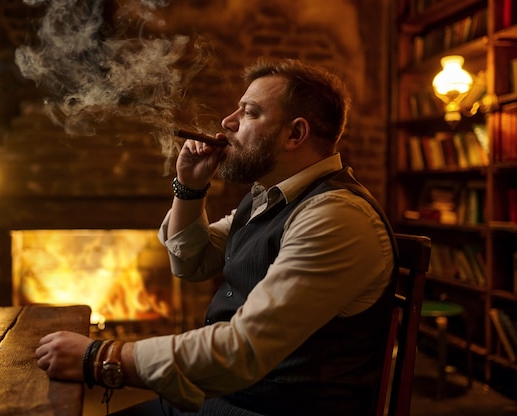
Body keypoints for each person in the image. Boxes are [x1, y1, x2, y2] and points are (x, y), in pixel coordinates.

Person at [35, 57, 397, 415]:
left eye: (250, 112)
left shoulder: (334, 217)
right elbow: (192, 261)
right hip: (224, 398)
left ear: (295, 134)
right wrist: (189, 188)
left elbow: (243, 349)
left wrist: (102, 357)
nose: (227, 122)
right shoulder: (269, 198)